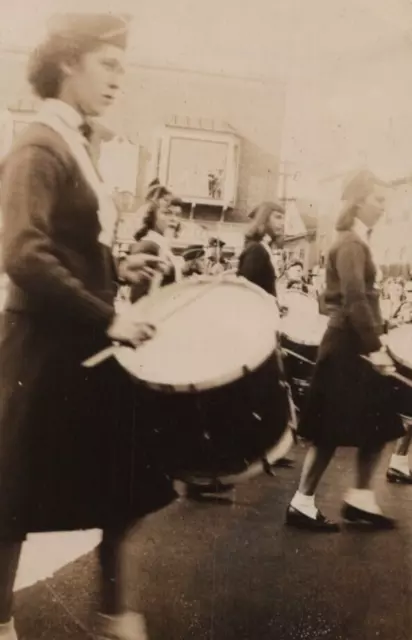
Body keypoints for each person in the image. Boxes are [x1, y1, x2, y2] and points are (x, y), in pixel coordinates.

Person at [0, 14, 177, 640]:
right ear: (68, 62)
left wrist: (120, 268)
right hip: (43, 354)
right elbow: (23, 253)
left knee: (123, 495)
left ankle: (118, 622)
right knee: (10, 507)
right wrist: (110, 315)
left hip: (80, 348)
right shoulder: (38, 146)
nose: (118, 79)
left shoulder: (72, 142)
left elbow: (69, 248)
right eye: (109, 64)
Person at [285, 170, 405, 532]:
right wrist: (376, 347)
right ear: (359, 201)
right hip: (348, 347)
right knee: (329, 431)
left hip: (354, 344)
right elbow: (353, 298)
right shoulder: (351, 243)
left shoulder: (355, 240)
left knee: (380, 425)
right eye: (379, 200)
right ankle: (302, 502)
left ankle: (361, 499)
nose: (384, 207)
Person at [237, 201, 285, 296]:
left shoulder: (263, 248)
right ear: (264, 218)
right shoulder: (256, 250)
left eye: (283, 218)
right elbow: (247, 290)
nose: (282, 223)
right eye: (278, 217)